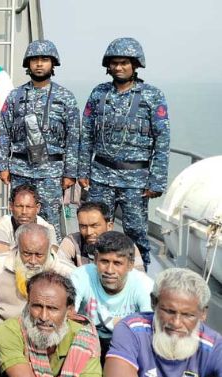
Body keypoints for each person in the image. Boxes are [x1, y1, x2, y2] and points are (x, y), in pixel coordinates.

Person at [78, 37, 170, 270]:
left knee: (136, 232)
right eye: (115, 63)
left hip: (135, 179)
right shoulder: (99, 94)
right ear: (108, 66)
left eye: (124, 63)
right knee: (95, 230)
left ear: (135, 65)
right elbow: (86, 133)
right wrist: (83, 170)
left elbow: (162, 139)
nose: (119, 67)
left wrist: (157, 180)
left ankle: (139, 274)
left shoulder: (152, 96)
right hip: (101, 175)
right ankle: (93, 273)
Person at [0, 40, 80, 242]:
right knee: (20, 218)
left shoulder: (65, 97)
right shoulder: (15, 96)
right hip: (20, 168)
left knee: (49, 220)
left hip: (50, 171)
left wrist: (70, 173)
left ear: (53, 64)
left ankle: (52, 257)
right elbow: (4, 132)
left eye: (44, 59)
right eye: (34, 60)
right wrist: (2, 166)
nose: (39, 64)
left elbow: (73, 137)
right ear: (28, 64)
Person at [104, 268, 222, 377]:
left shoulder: (214, 345)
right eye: (169, 311)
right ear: (153, 302)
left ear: (203, 313)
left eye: (188, 315)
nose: (176, 323)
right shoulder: (131, 330)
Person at [0, 271, 102, 377]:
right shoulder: (10, 330)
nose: (44, 317)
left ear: (69, 311)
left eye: (52, 308)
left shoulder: (84, 338)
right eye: (37, 306)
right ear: (28, 304)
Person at [70, 231, 153, 359]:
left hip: (127, 345)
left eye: (117, 263)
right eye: (104, 261)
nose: (109, 270)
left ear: (130, 265)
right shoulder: (81, 276)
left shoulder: (144, 285)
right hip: (86, 342)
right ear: (95, 259)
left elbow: (149, 331)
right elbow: (68, 314)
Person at [0, 223, 73, 321]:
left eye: (39, 255)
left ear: (48, 250)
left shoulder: (66, 272)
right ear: (18, 247)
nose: (33, 261)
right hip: (4, 327)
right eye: (27, 254)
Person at [58, 201, 144, 270]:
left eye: (95, 226)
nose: (89, 232)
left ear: (109, 226)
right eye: (83, 226)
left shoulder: (127, 246)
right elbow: (58, 269)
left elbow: (139, 278)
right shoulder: (72, 242)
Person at [0, 183, 58, 255]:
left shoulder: (47, 229)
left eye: (29, 207)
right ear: (11, 206)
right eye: (19, 206)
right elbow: (1, 258)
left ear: (38, 208)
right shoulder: (2, 226)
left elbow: (52, 258)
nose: (24, 212)